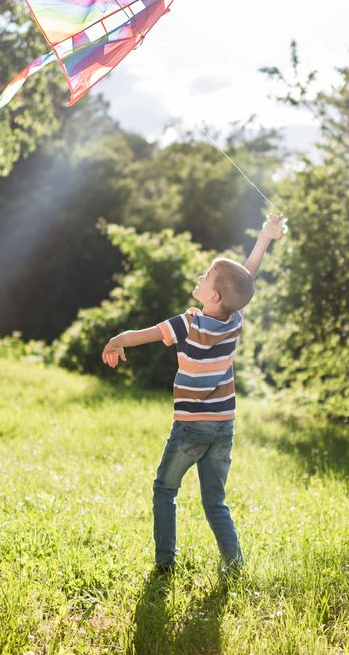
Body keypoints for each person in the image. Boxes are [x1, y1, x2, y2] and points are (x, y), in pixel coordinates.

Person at [101, 213, 287, 573]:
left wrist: (116, 340)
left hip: (190, 427)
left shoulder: (189, 323)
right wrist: (263, 238)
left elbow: (145, 335)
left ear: (213, 295)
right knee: (215, 502)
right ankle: (234, 565)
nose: (199, 278)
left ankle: (165, 564)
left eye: (205, 277)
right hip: (223, 427)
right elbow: (244, 281)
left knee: (164, 490)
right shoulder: (233, 321)